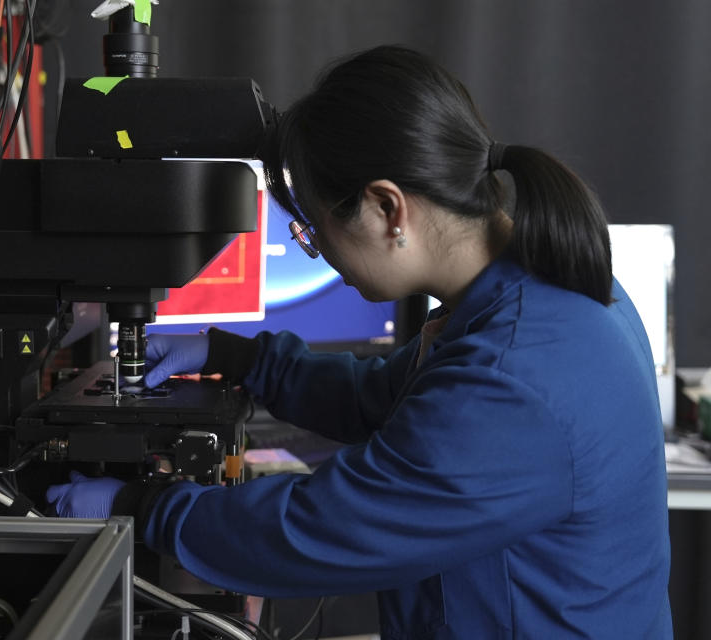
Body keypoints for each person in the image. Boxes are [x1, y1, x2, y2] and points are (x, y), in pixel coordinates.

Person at [46, 45, 672, 638]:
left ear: (387, 210)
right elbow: (385, 399)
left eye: (316, 231)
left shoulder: (518, 374)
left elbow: (329, 529)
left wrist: (147, 506)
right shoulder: (536, 295)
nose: (324, 257)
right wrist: (237, 358)